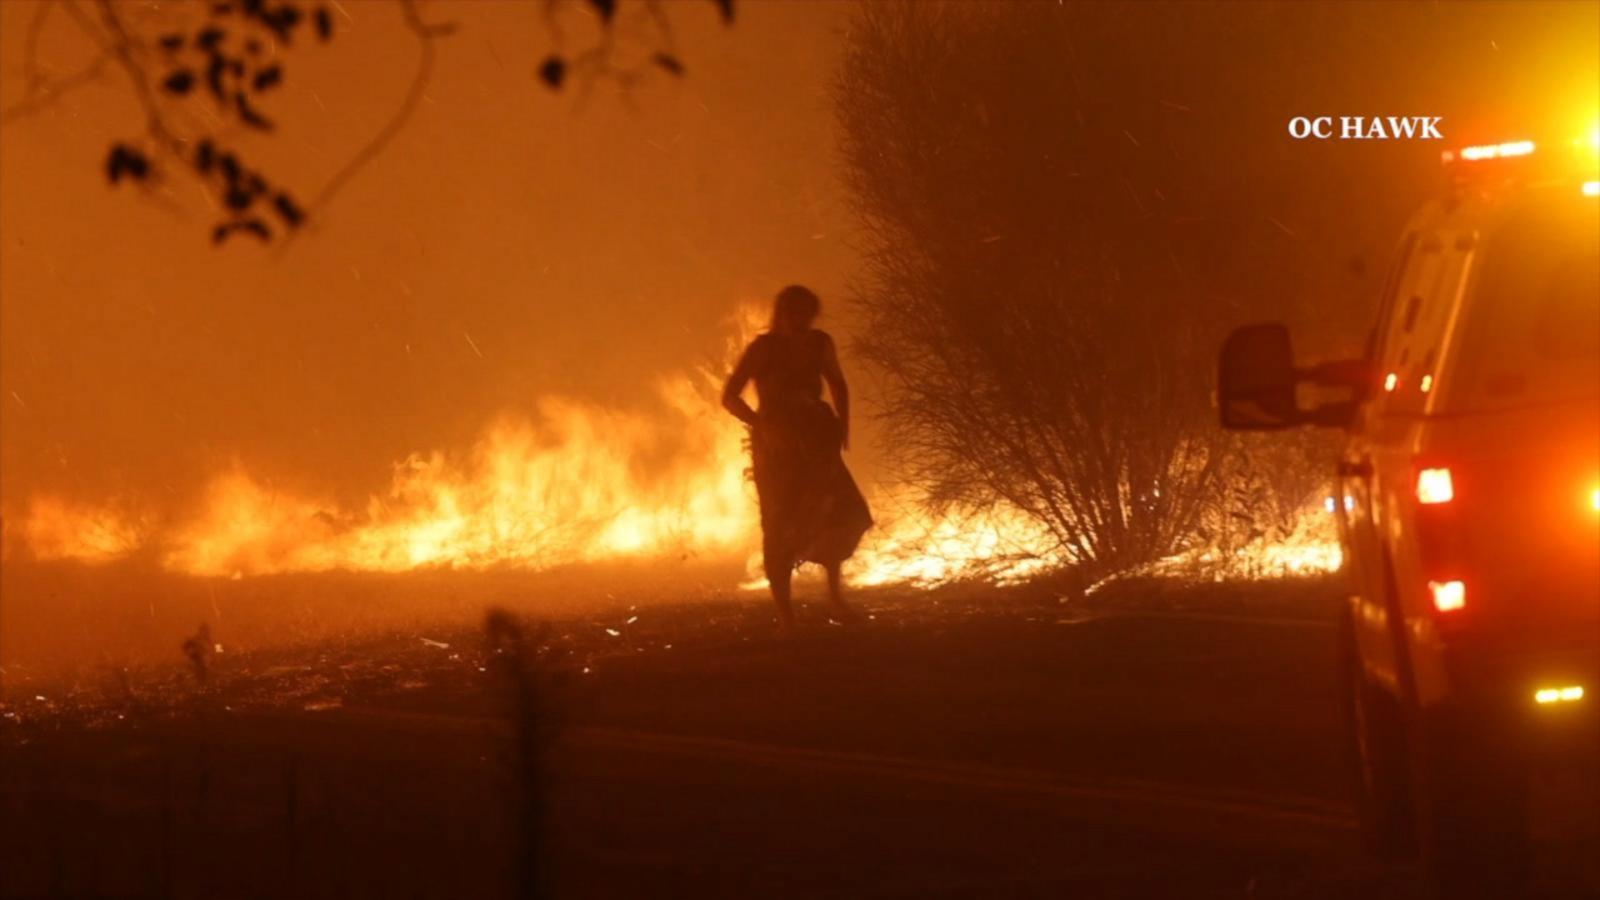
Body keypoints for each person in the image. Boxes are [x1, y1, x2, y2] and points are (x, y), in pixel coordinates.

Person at [722, 285, 872, 629]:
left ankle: (835, 598)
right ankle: (787, 616)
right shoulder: (763, 349)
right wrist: (762, 425)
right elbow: (729, 396)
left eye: (807, 313)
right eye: (794, 313)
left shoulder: (819, 343)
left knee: (837, 512)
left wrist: (842, 428)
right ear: (781, 314)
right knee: (779, 525)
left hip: (817, 442)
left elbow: (838, 383)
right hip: (777, 452)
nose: (801, 320)